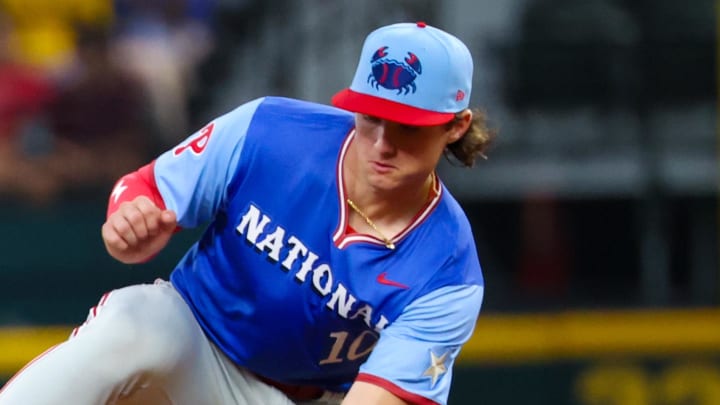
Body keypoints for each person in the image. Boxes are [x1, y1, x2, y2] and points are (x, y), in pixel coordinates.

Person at [0, 21, 495, 405]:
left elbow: (377, 397)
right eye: (371, 118)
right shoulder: (270, 129)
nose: (382, 144)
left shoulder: (448, 270)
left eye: (407, 127)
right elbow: (146, 188)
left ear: (455, 127)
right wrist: (130, 221)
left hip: (305, 396)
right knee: (134, 320)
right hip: (194, 343)